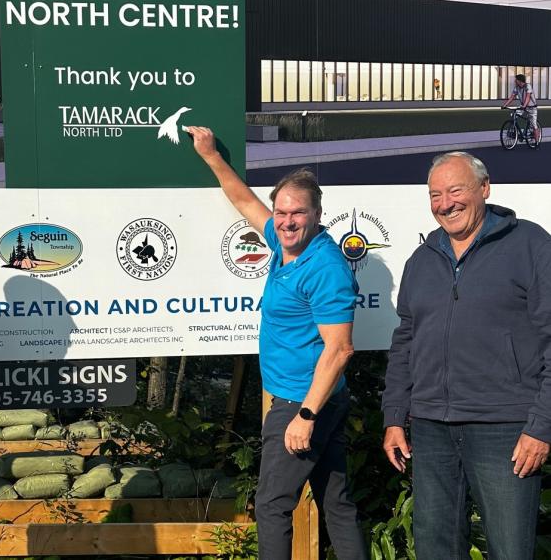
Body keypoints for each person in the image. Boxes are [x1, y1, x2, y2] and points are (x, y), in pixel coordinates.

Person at [188, 127, 366, 560]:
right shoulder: (285, 242)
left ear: (317, 215)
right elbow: (246, 202)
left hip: (301, 402)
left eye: (298, 213)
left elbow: (340, 349)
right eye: (282, 212)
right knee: (336, 504)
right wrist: (211, 154)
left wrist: (305, 415)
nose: (287, 221)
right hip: (310, 400)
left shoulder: (323, 266)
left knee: (270, 506)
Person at [382, 151, 551, 559]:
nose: (445, 203)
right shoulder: (422, 260)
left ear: (485, 188)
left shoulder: (531, 245)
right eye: (435, 194)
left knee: (510, 550)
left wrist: (542, 426)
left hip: (506, 429)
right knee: (436, 548)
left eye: (456, 190)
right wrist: (393, 417)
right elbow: (405, 341)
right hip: (431, 428)